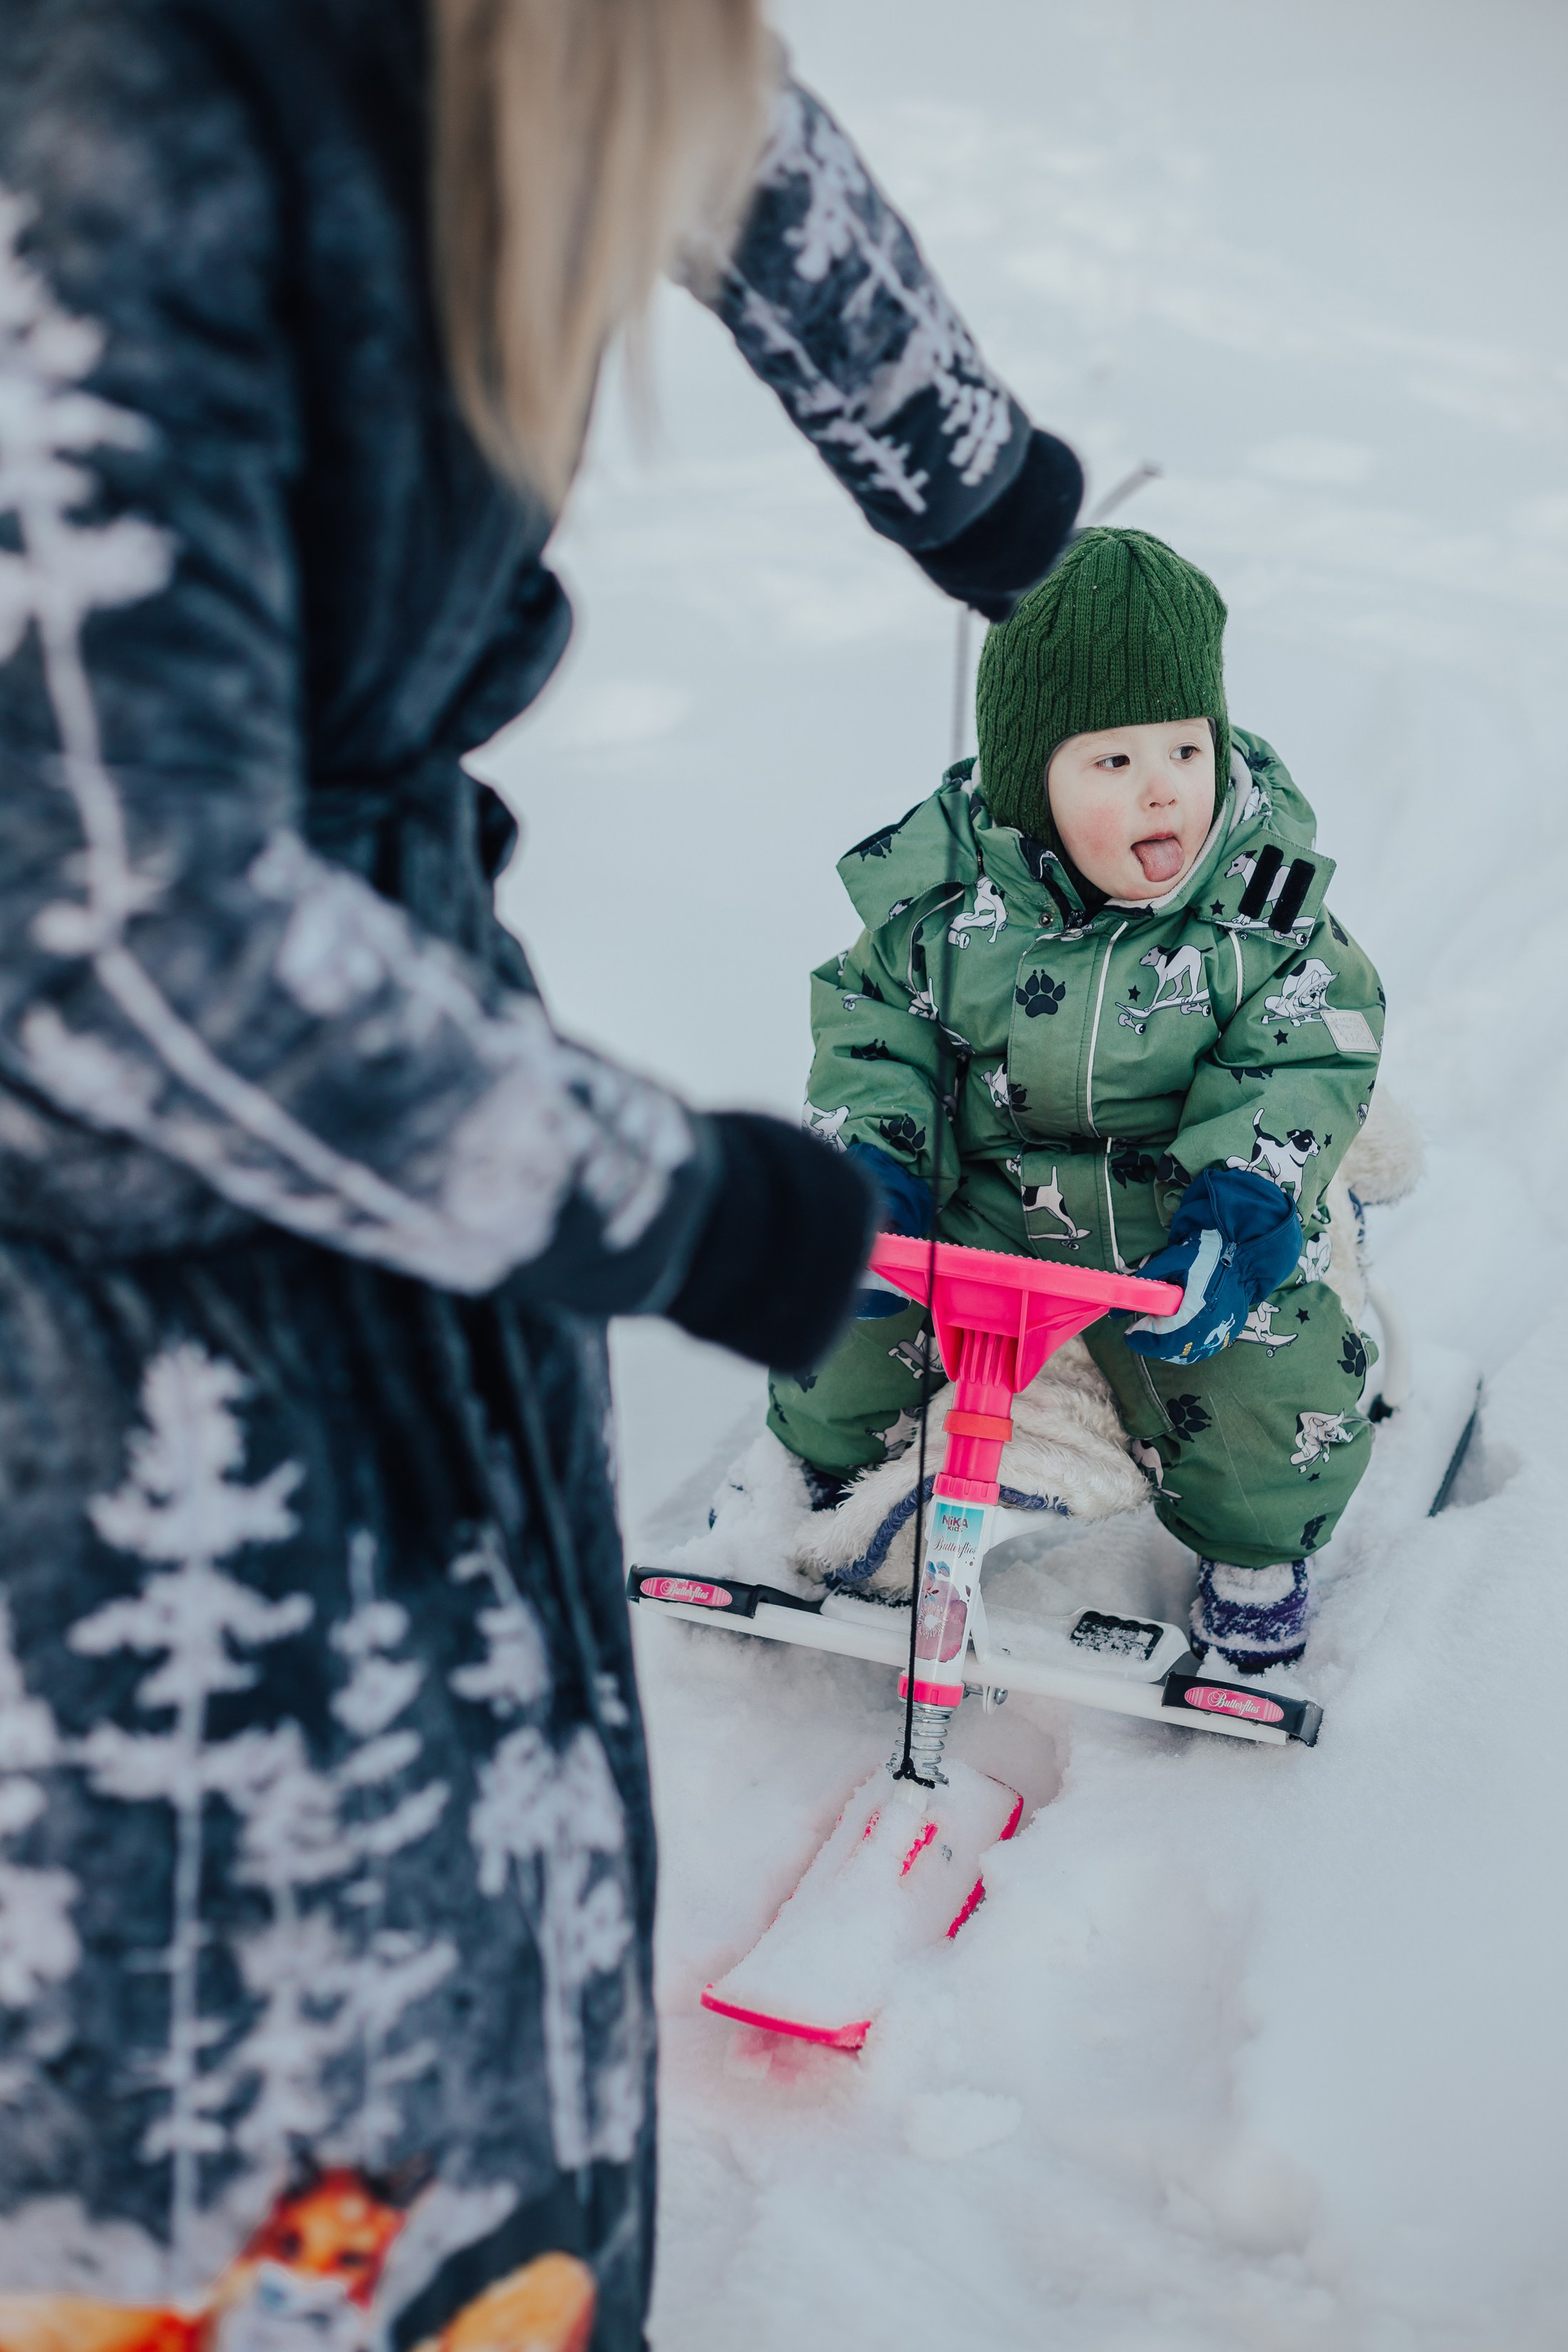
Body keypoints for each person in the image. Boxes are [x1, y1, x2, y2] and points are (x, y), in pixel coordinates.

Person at [0, 4, 1085, 2343]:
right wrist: (684, 1209)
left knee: (492, 1984)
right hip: (123, 1322)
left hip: (407, 1113)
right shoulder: (110, 129)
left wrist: (977, 480)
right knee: (240, 2093)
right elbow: (113, 929)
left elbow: (697, 107)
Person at [769, 528, 1386, 1674]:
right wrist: (874, 1173)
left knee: (1270, 1387)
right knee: (833, 1325)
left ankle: (1255, 1551)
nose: (1164, 788)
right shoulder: (944, 906)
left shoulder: (1261, 916)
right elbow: (875, 1033)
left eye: (1186, 752)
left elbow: (1304, 1055)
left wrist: (1244, 1207)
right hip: (985, 1207)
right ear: (1028, 779)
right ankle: (839, 1472)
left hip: (1172, 1232)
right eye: (1112, 763)